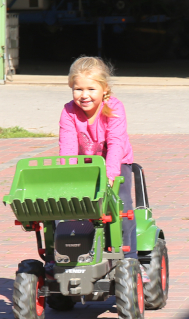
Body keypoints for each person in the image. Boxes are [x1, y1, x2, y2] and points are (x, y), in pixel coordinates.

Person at [58, 56, 142, 276]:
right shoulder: (68, 112)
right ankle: (77, 255)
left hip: (116, 165)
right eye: (78, 89)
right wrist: (69, 175)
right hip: (85, 166)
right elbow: (67, 148)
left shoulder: (114, 108)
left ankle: (130, 261)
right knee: (74, 208)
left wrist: (111, 174)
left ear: (104, 89)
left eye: (91, 89)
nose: (84, 95)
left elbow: (116, 143)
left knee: (121, 208)